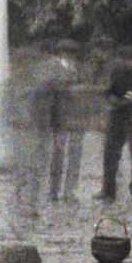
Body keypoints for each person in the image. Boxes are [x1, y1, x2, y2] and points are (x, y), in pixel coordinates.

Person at [97, 61, 132, 202]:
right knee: (121, 153)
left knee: (128, 153)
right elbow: (109, 92)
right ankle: (112, 190)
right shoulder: (130, 70)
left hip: (131, 114)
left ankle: (116, 191)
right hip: (127, 114)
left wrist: (116, 101)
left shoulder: (130, 71)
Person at [42, 45, 85, 203]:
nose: (70, 57)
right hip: (60, 117)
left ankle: (69, 191)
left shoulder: (79, 69)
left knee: (75, 154)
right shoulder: (53, 68)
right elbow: (51, 89)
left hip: (77, 117)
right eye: (68, 53)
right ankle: (54, 190)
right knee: (58, 153)